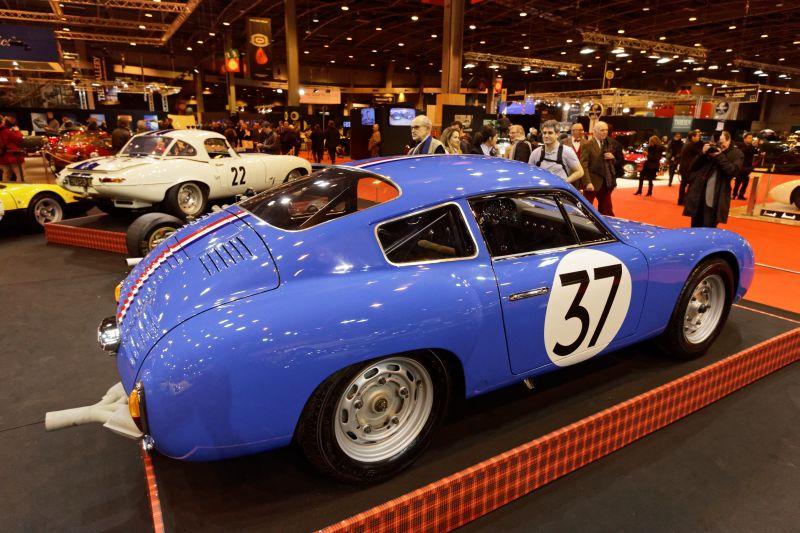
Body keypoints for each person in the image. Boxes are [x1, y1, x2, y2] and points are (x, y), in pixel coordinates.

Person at [683, 131, 743, 228]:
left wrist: (719, 156)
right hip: (698, 196)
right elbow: (692, 167)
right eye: (717, 143)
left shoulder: (736, 153)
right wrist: (702, 153)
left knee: (709, 229)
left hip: (716, 198)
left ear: (728, 140)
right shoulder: (709, 151)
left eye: (722, 142)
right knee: (694, 228)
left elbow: (733, 171)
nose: (719, 145)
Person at [529, 120, 583, 186]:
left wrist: (564, 182)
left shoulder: (567, 151)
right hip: (540, 190)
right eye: (544, 133)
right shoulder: (535, 153)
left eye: (550, 133)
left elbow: (580, 172)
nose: (546, 136)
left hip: (559, 191)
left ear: (557, 134)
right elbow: (530, 173)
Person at [585, 120, 622, 216]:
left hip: (606, 183)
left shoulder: (609, 144)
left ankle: (605, 225)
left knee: (607, 210)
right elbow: (584, 165)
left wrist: (613, 158)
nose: (605, 132)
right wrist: (588, 182)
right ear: (595, 131)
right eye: (602, 130)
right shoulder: (588, 144)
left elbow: (617, 163)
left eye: (606, 130)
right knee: (586, 209)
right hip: (592, 183)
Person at [562, 122, 593, 193]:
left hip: (580, 177)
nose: (582, 132)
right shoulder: (563, 142)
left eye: (582, 130)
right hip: (566, 175)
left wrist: (588, 181)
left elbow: (586, 163)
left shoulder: (587, 143)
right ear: (572, 131)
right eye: (579, 130)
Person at [678, 130, 703, 205]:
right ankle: (684, 200)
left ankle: (681, 200)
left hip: (684, 167)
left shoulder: (687, 144)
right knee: (690, 184)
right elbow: (700, 153)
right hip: (687, 168)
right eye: (697, 136)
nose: (699, 138)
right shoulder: (692, 145)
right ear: (693, 137)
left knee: (683, 184)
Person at [733, 132, 758, 200]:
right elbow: (742, 152)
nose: (751, 139)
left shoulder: (752, 147)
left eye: (751, 138)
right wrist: (751, 146)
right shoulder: (740, 145)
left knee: (746, 182)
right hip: (741, 166)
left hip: (748, 166)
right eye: (749, 138)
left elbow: (755, 153)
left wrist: (756, 146)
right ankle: (734, 194)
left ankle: (741, 195)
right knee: (738, 182)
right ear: (744, 139)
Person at [0, 116, 25, 182]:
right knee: (20, 175)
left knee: (6, 176)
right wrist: (17, 131)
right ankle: (20, 188)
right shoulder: (6, 131)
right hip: (13, 156)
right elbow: (20, 139)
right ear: (2, 122)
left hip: (2, 157)